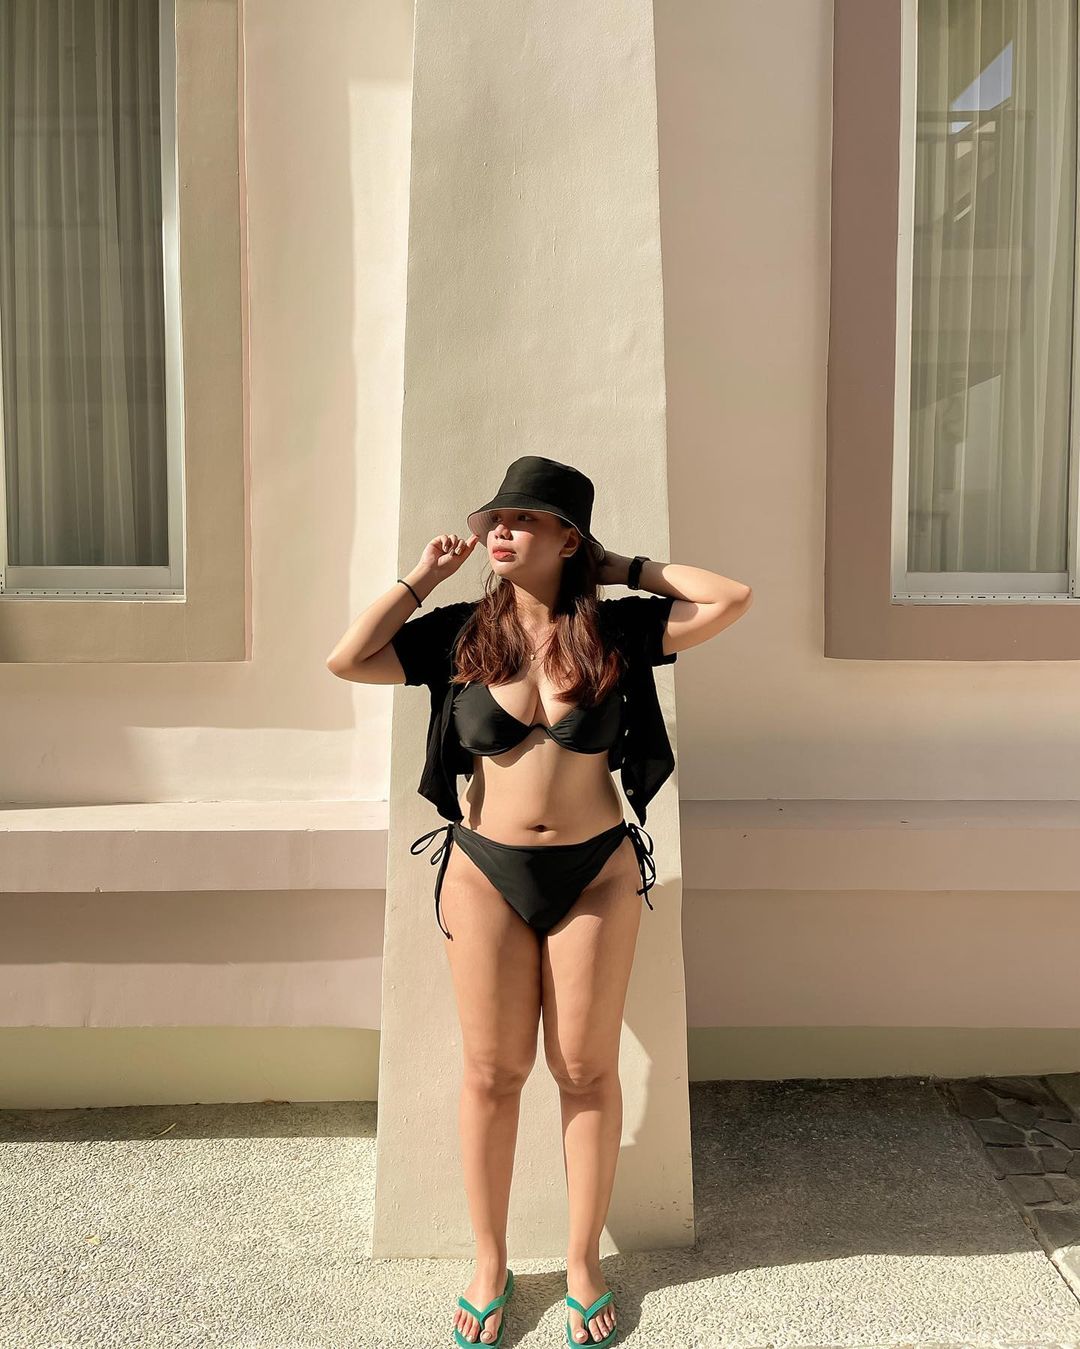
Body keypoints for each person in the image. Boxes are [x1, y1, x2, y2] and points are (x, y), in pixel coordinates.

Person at [326, 456, 753, 1347]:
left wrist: (623, 568)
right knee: (492, 1072)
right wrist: (421, 577)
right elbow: (348, 658)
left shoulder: (618, 630)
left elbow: (731, 598)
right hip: (484, 868)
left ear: (568, 538)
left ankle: (583, 1262)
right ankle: (489, 1262)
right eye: (496, 518)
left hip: (595, 871)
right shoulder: (459, 633)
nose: (502, 530)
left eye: (525, 518)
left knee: (586, 1070)